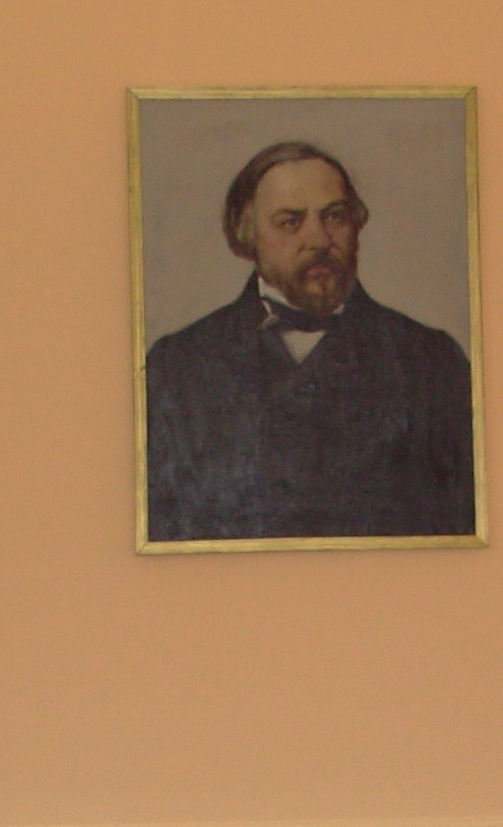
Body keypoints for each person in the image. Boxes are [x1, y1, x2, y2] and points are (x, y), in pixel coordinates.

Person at [144, 139, 476, 543]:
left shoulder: (431, 361)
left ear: (357, 226)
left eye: (335, 217)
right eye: (290, 222)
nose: (318, 240)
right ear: (247, 235)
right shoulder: (177, 366)